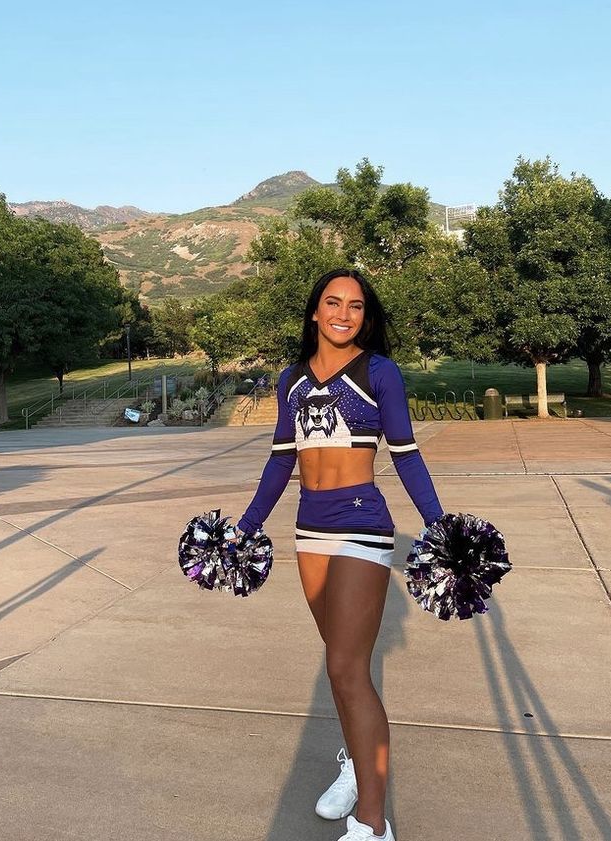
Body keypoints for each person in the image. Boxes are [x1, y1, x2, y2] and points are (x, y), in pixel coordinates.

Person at [236, 268, 444, 841]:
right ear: (314, 312)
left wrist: (439, 526)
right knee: (339, 662)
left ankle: (373, 825)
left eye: (355, 306)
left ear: (365, 318)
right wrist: (247, 527)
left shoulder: (379, 372)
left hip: (362, 523)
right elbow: (281, 460)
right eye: (333, 302)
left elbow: (405, 454)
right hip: (309, 530)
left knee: (347, 668)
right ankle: (357, 764)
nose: (343, 313)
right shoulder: (291, 380)